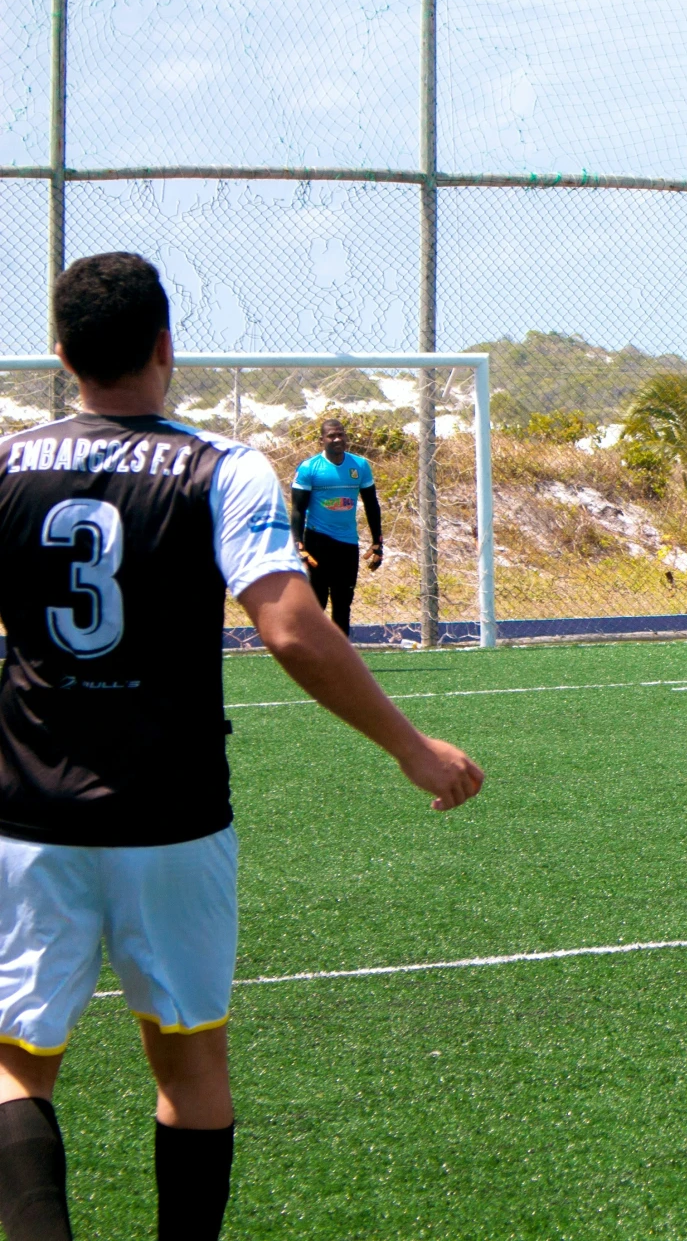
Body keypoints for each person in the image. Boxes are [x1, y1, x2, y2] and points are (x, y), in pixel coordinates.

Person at [0, 253, 483, 1241]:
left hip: (28, 814)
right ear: (166, 344)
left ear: (60, 355)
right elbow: (294, 628)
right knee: (190, 1063)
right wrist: (409, 746)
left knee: (15, 1065)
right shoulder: (223, 467)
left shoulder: (5, 465)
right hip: (173, 815)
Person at [289, 417, 382, 635]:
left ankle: (340, 660)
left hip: (348, 544)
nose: (337, 439)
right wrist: (298, 545)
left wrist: (378, 542)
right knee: (316, 602)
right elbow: (297, 509)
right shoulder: (309, 468)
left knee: (343, 604)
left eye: (341, 434)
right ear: (322, 440)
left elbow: (371, 504)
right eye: (331, 435)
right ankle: (310, 655)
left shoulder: (359, 466)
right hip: (317, 542)